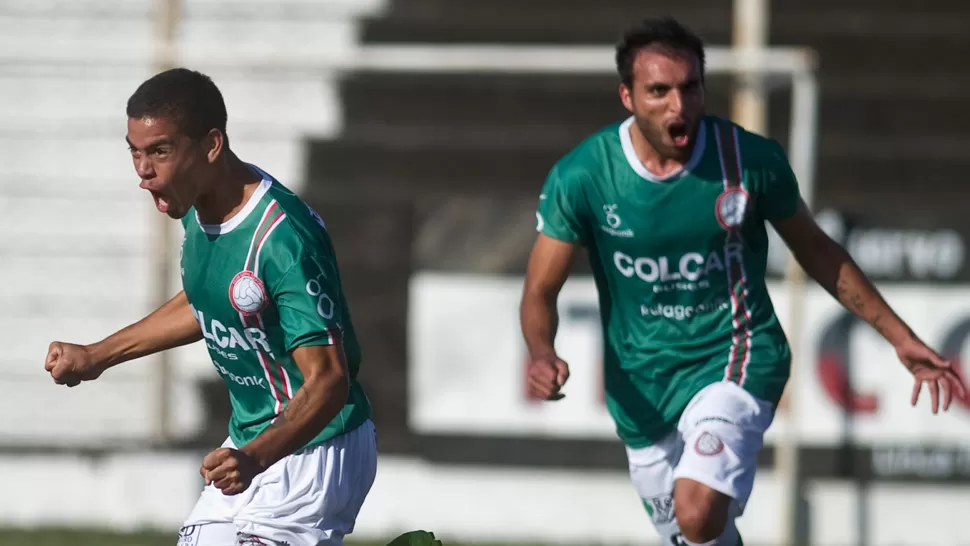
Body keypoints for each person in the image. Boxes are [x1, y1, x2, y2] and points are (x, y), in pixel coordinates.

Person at [520, 17, 966, 546]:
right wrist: (541, 352)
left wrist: (900, 337)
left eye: (690, 87)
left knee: (696, 511)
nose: (678, 106)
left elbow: (818, 250)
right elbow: (539, 290)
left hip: (734, 355)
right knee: (698, 538)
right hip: (641, 383)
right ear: (627, 96)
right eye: (659, 91)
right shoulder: (584, 176)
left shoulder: (748, 160)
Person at [43, 68, 376, 546]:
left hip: (315, 447)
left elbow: (328, 380)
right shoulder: (199, 206)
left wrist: (255, 457)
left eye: (160, 151)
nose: (143, 171)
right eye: (135, 151)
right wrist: (97, 355)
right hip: (250, 442)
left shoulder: (283, 239)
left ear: (211, 145)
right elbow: (209, 300)